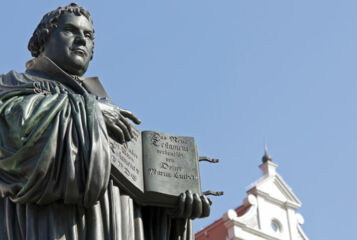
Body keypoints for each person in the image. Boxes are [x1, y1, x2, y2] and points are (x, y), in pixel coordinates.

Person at [0, 3, 210, 240]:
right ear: (43, 38)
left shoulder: (104, 105)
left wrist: (172, 213)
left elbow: (134, 205)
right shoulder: (12, 84)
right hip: (52, 224)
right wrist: (91, 113)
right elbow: (10, 134)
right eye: (70, 30)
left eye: (88, 35)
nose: (81, 40)